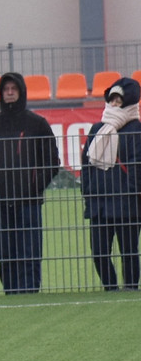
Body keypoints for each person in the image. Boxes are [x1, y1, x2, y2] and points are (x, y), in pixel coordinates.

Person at [0, 72, 61, 294]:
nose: (9, 93)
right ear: (1, 94)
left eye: (14, 89)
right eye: (6, 89)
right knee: (5, 254)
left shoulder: (37, 124)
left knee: (30, 252)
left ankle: (30, 294)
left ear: (21, 92)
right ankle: (11, 295)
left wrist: (34, 185)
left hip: (29, 202)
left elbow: (52, 161)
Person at [80, 76, 141, 290]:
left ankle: (131, 287)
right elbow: (86, 164)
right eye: (112, 99)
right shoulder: (97, 129)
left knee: (129, 251)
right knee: (99, 252)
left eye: (119, 100)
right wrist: (88, 193)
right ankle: (110, 287)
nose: (114, 104)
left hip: (127, 205)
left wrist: (133, 195)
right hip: (100, 204)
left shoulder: (136, 130)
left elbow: (137, 166)